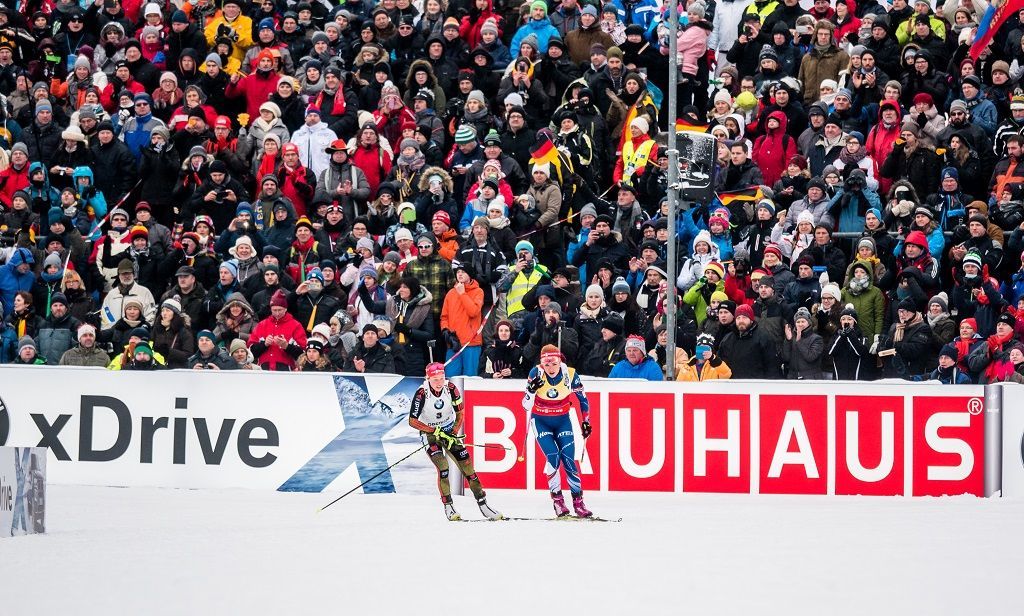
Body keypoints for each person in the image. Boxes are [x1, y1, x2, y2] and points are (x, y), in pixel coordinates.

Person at [409, 362, 502, 521]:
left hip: (448, 431)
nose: (439, 383)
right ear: (428, 378)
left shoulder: (451, 388)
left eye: (441, 378)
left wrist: (453, 431)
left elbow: (460, 413)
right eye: (435, 379)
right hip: (430, 434)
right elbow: (412, 420)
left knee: (468, 468)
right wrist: (432, 431)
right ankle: (449, 506)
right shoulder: (421, 394)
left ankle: (484, 505)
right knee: (443, 467)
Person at [522, 344, 592, 518]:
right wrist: (531, 391)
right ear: (541, 364)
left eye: (554, 363)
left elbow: (582, 399)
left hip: (562, 421)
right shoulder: (535, 373)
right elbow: (525, 405)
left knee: (569, 458)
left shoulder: (570, 374)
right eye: (546, 364)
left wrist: (586, 421)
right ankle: (558, 501)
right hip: (541, 421)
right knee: (553, 456)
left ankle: (578, 502)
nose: (550, 368)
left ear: (560, 361)